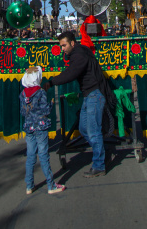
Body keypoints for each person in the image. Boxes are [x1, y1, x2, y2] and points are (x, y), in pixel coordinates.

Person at [44, 30, 108, 178]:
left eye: (64, 45)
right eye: (61, 46)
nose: (62, 49)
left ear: (72, 43)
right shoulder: (79, 52)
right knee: (84, 129)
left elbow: (71, 73)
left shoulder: (79, 55)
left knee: (93, 131)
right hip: (88, 95)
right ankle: (100, 150)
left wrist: (52, 82)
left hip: (94, 95)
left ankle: (99, 165)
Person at [20, 66, 66, 195]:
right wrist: (51, 104)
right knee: (43, 155)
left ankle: (29, 185)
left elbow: (23, 111)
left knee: (30, 156)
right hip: (40, 127)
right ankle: (51, 185)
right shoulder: (40, 93)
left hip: (29, 127)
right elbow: (45, 111)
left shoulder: (23, 94)